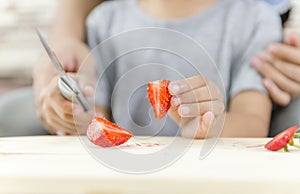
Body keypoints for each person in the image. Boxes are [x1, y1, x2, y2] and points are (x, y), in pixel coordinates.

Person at [0, 0, 299, 137]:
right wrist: (68, 113)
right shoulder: (104, 20)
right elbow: (94, 119)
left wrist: (208, 127)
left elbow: (253, 124)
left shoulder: (255, 20)